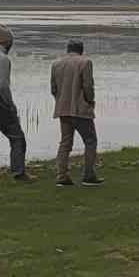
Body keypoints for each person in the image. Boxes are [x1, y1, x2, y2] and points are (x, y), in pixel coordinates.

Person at [0, 24, 33, 181]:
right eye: (11, 42)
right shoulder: (3, 59)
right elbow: (3, 86)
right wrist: (10, 104)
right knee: (17, 137)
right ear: (8, 43)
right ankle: (19, 172)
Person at [50, 39, 103, 187]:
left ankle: (62, 176)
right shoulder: (85, 62)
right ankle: (88, 175)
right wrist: (90, 101)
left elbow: (53, 89)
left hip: (63, 109)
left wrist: (60, 101)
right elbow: (88, 86)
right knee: (90, 141)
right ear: (81, 50)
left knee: (65, 143)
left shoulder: (56, 64)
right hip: (81, 109)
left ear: (68, 49)